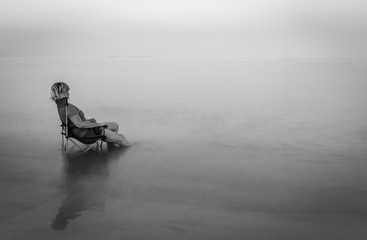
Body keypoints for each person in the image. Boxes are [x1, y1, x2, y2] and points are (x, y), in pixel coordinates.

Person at [51, 82, 131, 147]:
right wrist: (99, 124)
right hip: (87, 134)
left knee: (115, 125)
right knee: (121, 138)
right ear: (61, 92)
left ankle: (112, 147)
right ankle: (129, 152)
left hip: (78, 132)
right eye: (67, 90)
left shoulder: (61, 106)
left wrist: (88, 121)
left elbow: (74, 122)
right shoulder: (69, 108)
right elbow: (80, 124)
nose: (68, 92)